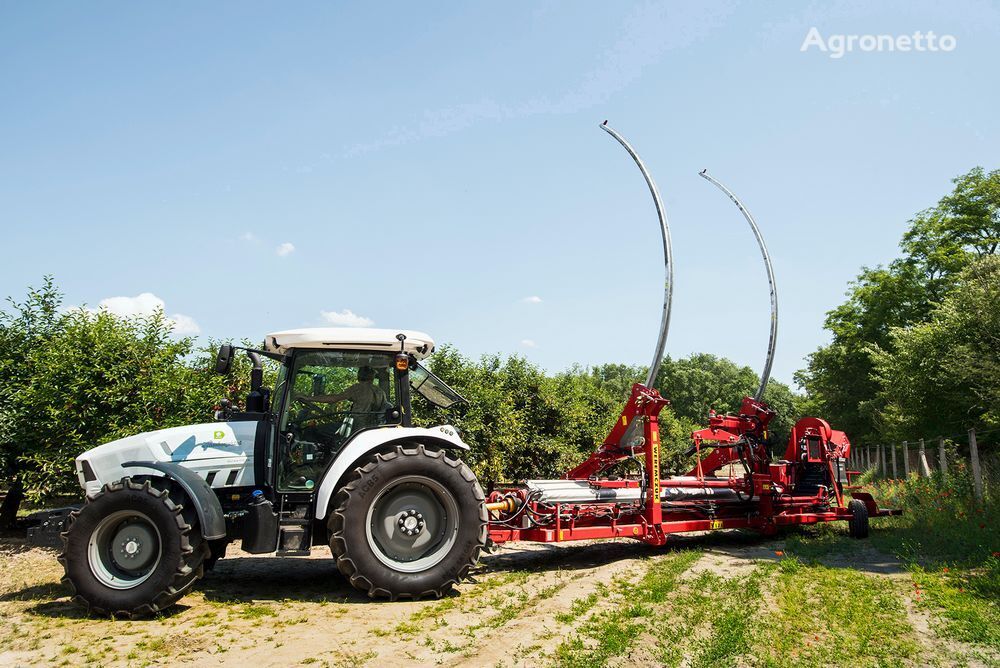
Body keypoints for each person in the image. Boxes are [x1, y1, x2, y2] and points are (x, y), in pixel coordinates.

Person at [298, 366, 388, 427]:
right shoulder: (381, 392)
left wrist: (309, 398)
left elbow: (333, 399)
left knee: (313, 431)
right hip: (370, 426)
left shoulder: (358, 388)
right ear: (372, 377)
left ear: (359, 375)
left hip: (356, 427)